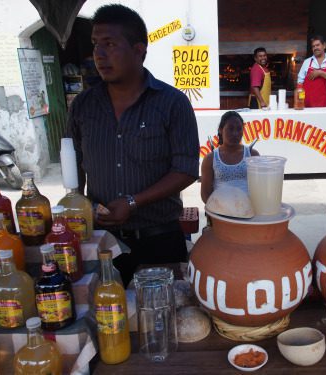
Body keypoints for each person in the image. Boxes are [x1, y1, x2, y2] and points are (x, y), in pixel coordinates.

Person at [65, 4, 200, 287]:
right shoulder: (83, 106)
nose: (98, 55)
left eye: (110, 44)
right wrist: (76, 205)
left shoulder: (172, 103)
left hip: (159, 241)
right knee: (106, 319)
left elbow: (186, 169)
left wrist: (132, 202)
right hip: (101, 244)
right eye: (95, 44)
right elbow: (73, 164)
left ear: (139, 50)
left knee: (166, 321)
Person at [201, 111, 259, 203]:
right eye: (230, 129)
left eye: (239, 129)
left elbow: (259, 187)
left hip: (248, 211)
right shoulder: (210, 159)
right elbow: (205, 194)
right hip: (220, 211)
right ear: (220, 129)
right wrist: (217, 211)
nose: (235, 133)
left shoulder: (253, 155)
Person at [297, 35, 326, 107]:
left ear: (324, 45)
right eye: (313, 46)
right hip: (307, 102)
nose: (315, 48)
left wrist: (319, 72)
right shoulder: (307, 62)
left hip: (322, 101)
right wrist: (300, 100)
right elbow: (300, 82)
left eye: (317, 45)